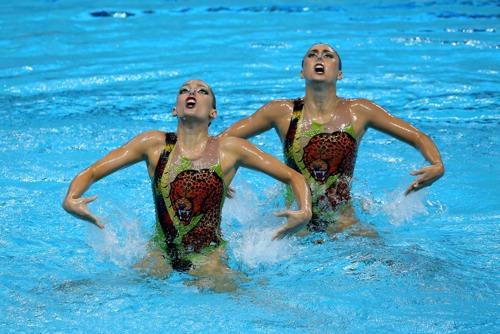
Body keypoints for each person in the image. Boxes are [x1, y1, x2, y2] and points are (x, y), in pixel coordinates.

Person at [62, 80, 312, 289]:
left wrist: (304, 210)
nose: (191, 93)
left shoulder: (230, 149)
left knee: (245, 297)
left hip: (209, 256)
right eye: (184, 90)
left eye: (202, 91)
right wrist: (71, 199)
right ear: (174, 109)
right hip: (159, 253)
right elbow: (93, 171)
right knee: (107, 289)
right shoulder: (153, 144)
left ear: (213, 113)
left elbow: (294, 177)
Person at [222, 43, 444, 234]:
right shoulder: (281, 111)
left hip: (342, 220)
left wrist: (437, 164)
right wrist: (219, 176)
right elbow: (224, 140)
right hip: (296, 219)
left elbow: (417, 136)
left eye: (328, 55)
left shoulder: (359, 111)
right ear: (302, 72)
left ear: (339, 73)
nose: (319, 57)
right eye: (312, 54)